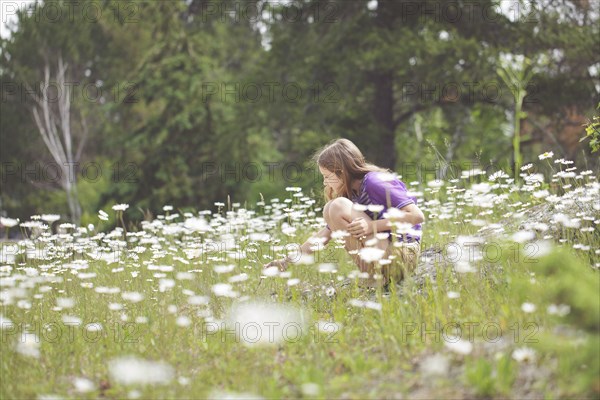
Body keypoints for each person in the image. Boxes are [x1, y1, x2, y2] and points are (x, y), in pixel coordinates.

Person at [264, 138, 424, 289]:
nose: (325, 182)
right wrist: (286, 262)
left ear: (342, 172)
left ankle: (374, 277)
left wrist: (371, 226)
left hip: (403, 255)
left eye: (327, 177)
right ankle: (372, 276)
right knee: (330, 208)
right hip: (385, 255)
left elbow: (416, 216)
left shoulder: (374, 182)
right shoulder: (352, 195)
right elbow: (324, 236)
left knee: (335, 206)